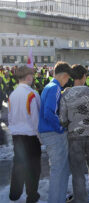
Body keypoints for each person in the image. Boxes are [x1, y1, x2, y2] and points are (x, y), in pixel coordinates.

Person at [59, 65, 89, 203]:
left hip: (74, 138)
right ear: (84, 76)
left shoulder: (65, 95)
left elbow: (62, 119)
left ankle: (80, 200)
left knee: (77, 173)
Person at [38, 61, 72, 203]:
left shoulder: (50, 86)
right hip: (53, 133)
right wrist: (60, 128)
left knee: (60, 168)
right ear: (64, 76)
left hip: (47, 132)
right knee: (59, 170)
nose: (67, 81)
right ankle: (56, 199)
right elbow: (49, 112)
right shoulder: (55, 88)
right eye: (68, 78)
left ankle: (59, 197)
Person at [8, 67, 41, 203]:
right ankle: (32, 196)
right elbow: (35, 119)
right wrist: (40, 137)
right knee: (33, 168)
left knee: (19, 164)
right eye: (32, 76)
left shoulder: (12, 94)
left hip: (17, 135)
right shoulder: (32, 94)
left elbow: (10, 117)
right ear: (28, 77)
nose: (33, 78)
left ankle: (14, 194)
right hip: (31, 136)